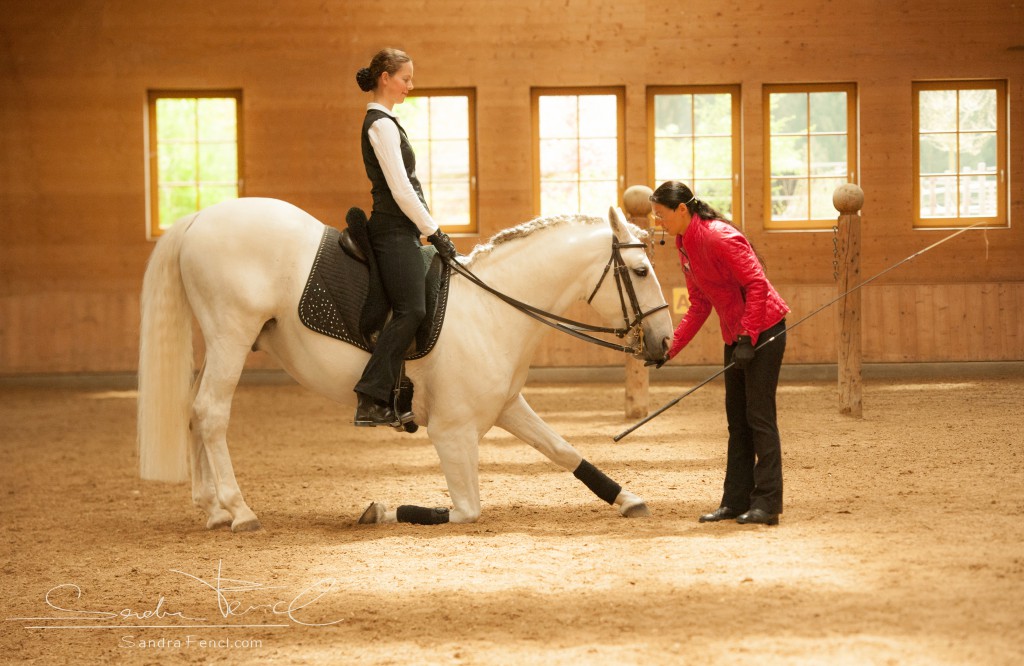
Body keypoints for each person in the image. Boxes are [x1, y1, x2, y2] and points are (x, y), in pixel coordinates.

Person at [650, 181, 790, 526]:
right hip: (738, 338)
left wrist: (748, 336)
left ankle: (767, 504)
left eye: (661, 215)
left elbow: (757, 284)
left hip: (765, 330)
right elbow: (699, 304)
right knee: (737, 423)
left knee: (759, 418)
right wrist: (670, 349)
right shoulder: (685, 246)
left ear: (681, 209)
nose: (658, 223)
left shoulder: (718, 236)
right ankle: (735, 500)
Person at [352, 48, 457, 427]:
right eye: (405, 78)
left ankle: (402, 393)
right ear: (385, 78)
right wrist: (435, 231)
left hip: (404, 228)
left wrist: (428, 228)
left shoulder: (388, 122)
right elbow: (401, 190)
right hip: (392, 229)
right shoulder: (380, 124)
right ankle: (371, 395)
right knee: (412, 309)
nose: (410, 85)